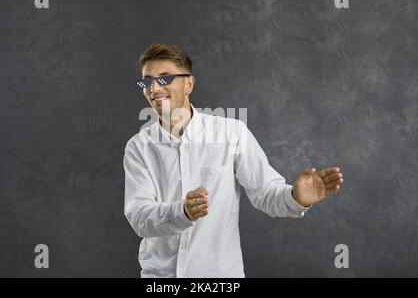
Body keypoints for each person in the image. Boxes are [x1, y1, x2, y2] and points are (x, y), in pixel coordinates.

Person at [123, 43, 344, 278]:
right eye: (147, 81)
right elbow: (140, 218)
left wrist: (297, 198)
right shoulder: (138, 147)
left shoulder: (231, 134)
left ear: (189, 83)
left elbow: (266, 193)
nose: (154, 88)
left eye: (165, 79)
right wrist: (182, 212)